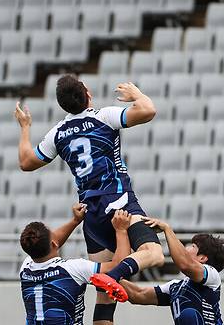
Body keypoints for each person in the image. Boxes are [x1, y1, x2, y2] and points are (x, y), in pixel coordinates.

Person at [15, 75, 165, 324]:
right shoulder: (103, 117)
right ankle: (114, 275)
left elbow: (26, 162)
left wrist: (25, 127)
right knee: (154, 253)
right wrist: (135, 94)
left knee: (105, 298)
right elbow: (148, 110)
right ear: (88, 94)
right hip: (118, 203)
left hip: (91, 215)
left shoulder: (58, 134)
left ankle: (109, 279)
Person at [19, 203, 131, 325]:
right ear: (54, 243)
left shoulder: (26, 267)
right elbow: (119, 266)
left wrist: (76, 220)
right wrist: (121, 230)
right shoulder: (73, 269)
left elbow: (50, 243)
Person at [118, 217, 224, 325]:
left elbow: (185, 264)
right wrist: (112, 276)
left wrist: (167, 229)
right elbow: (138, 294)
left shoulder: (213, 276)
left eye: (193, 246)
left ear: (202, 258)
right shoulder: (175, 286)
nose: (186, 247)